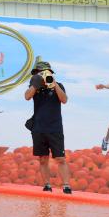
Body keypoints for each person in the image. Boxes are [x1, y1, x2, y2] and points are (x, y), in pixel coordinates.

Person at [24, 60, 72, 194]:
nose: (42, 75)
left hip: (55, 128)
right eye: (40, 73)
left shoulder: (58, 85)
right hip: (38, 129)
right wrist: (36, 83)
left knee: (60, 159)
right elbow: (27, 96)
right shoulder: (35, 87)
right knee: (43, 159)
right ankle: (47, 185)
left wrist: (54, 84)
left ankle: (66, 186)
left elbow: (64, 100)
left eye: (45, 72)